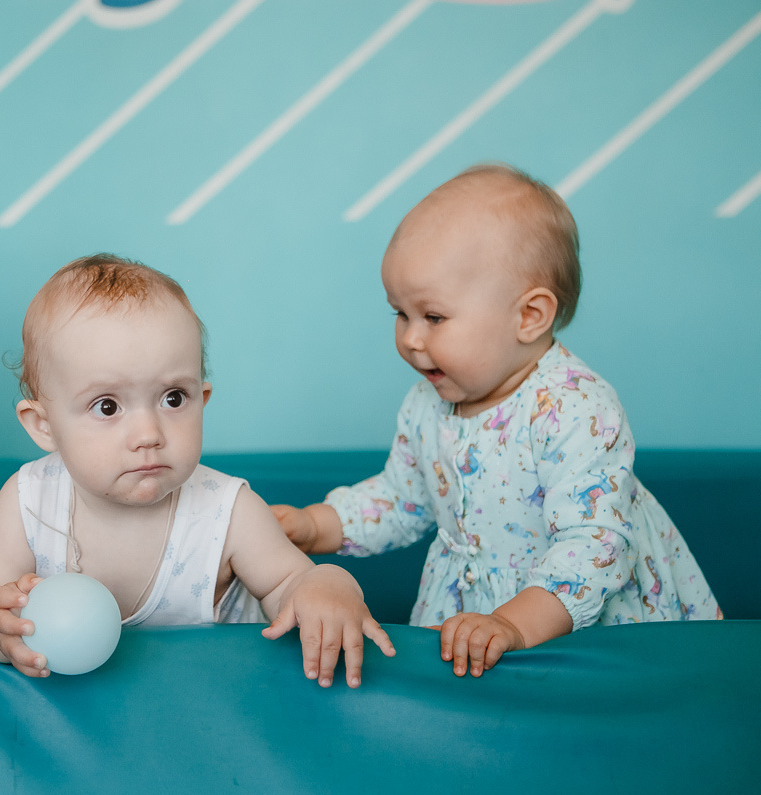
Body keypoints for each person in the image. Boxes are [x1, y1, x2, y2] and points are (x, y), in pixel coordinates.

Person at [272, 163, 720, 680]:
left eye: (433, 317)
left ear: (529, 317)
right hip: (471, 617)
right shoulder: (427, 403)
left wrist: (512, 625)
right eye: (400, 313)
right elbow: (401, 499)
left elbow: (593, 548)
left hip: (573, 626)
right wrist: (315, 525)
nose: (411, 339)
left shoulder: (575, 407)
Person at [0, 254, 394, 690]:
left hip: (214, 713)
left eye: (174, 398)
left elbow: (291, 582)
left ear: (203, 399)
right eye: (107, 406)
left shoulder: (228, 512)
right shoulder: (28, 501)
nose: (149, 433)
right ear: (44, 426)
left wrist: (328, 583)